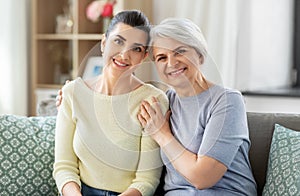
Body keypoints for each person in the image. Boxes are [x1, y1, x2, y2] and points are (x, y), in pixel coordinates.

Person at [53, 10, 169, 196]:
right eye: (118, 41)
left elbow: (147, 181)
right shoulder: (72, 93)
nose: (124, 55)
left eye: (136, 48)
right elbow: (63, 167)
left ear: (144, 56)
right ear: (104, 43)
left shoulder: (153, 101)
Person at [137, 18, 257, 195]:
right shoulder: (163, 101)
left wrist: (161, 134)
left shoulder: (227, 100)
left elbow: (203, 177)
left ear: (200, 55)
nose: (171, 63)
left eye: (179, 52)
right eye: (162, 58)